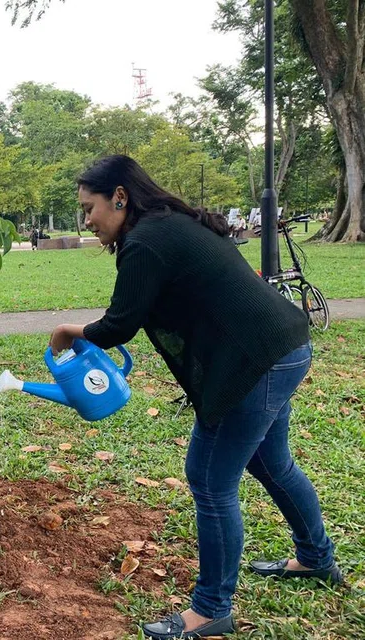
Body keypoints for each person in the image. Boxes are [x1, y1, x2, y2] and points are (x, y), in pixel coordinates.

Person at [49, 156, 339, 640]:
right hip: (284, 345)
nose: (87, 220)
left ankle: (210, 610)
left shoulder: (145, 242)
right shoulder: (168, 224)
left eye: (89, 207)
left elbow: (119, 325)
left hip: (253, 361)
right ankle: (315, 559)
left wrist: (65, 331)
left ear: (119, 196)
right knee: (272, 464)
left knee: (208, 479)